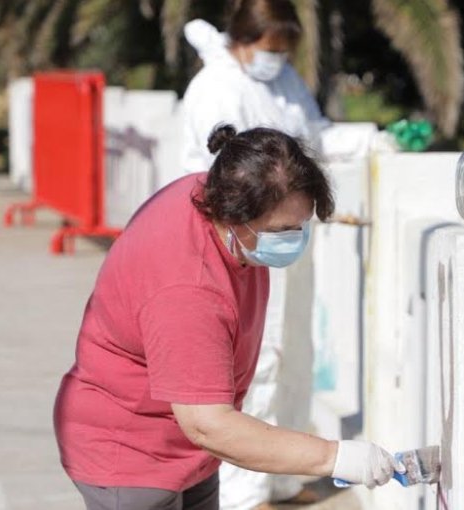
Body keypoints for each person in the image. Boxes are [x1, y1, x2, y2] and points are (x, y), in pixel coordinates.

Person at [54, 125, 401, 510]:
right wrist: (335, 457)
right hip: (132, 455)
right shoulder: (187, 288)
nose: (293, 238)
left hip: (190, 450)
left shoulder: (212, 194)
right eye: (280, 231)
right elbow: (208, 424)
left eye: (300, 225)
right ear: (233, 215)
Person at [179, 2, 331, 508]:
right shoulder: (216, 88)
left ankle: (284, 477)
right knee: (257, 359)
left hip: (283, 232)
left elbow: (316, 134)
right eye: (270, 49)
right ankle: (245, 491)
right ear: (243, 40)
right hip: (246, 237)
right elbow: (225, 172)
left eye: (285, 50)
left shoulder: (284, 80)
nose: (278, 59)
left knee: (294, 354)